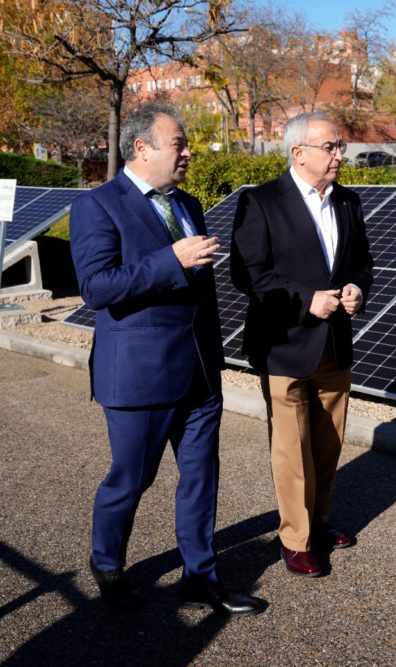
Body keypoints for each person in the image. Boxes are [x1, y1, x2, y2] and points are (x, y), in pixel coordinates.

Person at [70, 103, 266, 616]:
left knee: (202, 478)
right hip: (139, 374)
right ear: (141, 148)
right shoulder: (99, 206)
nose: (188, 153)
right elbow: (96, 288)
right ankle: (107, 562)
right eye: (178, 144)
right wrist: (170, 260)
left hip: (200, 369)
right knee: (131, 478)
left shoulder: (189, 203)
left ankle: (201, 578)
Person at [230, 112, 374, 577]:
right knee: (292, 449)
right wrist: (304, 301)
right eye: (330, 147)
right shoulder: (262, 201)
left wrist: (355, 288)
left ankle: (319, 521)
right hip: (285, 343)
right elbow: (248, 274)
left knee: (328, 442)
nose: (339, 154)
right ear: (298, 153)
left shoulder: (348, 202)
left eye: (339, 146)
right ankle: (295, 537)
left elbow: (363, 262)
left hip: (335, 343)